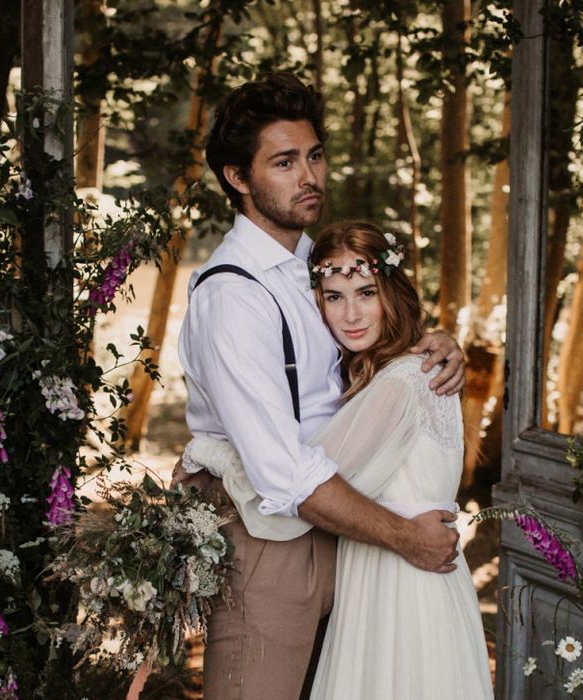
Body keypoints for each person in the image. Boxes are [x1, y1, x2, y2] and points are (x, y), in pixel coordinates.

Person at [175, 72, 466, 700]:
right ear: (238, 177)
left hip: (348, 536)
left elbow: (361, 354)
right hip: (270, 543)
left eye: (313, 156)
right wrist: (407, 536)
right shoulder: (233, 296)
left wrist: (433, 341)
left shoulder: (315, 267)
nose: (308, 176)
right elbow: (282, 474)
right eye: (283, 162)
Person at [306, 221, 493, 700]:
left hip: (398, 594)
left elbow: (303, 477)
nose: (351, 313)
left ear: (392, 291)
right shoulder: (410, 368)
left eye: (366, 292)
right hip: (420, 587)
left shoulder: (404, 380)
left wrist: (214, 450)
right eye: (333, 296)